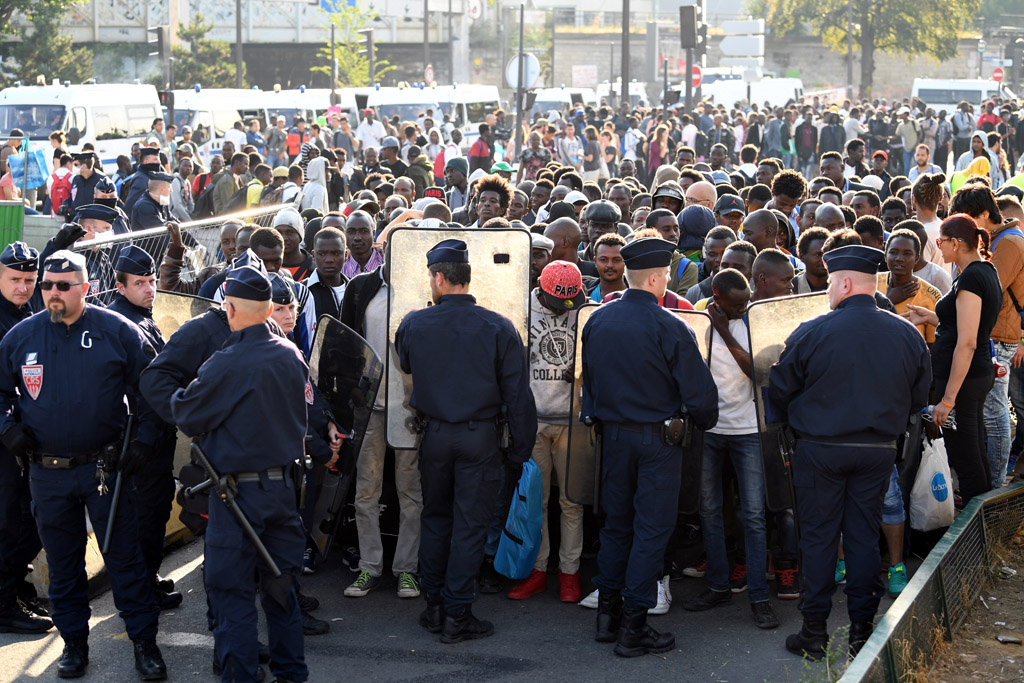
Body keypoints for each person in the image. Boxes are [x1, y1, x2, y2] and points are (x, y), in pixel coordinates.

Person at [0, 250, 167, 679]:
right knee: (64, 562)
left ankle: (144, 644)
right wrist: (7, 428)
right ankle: (73, 644)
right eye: (48, 286)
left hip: (104, 473)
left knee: (125, 562)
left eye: (64, 285)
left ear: (86, 288)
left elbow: (153, 388)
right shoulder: (21, 337)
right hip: (46, 472)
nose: (53, 293)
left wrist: (145, 441)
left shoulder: (118, 331)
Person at [770, 245, 931, 662]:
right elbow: (918, 398)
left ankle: (814, 632)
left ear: (842, 282)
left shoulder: (811, 330)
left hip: (820, 450)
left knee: (820, 540)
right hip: (876, 450)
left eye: (829, 283)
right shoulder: (906, 333)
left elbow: (781, 391)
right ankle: (862, 632)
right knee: (862, 540)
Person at [170, 263, 310, 683]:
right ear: (270, 309)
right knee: (283, 591)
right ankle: (291, 673)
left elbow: (187, 414)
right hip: (283, 491)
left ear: (230, 308)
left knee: (232, 596)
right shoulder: (291, 354)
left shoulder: (226, 362)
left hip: (237, 498)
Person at [581, 237, 718, 658]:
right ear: (658, 278)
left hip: (614, 438)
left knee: (616, 527)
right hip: (658, 441)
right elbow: (701, 398)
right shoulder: (671, 326)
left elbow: (589, 382)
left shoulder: (598, 321)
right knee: (650, 532)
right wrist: (703, 419)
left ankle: (607, 618)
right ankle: (634, 627)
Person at [395, 239, 537, 643]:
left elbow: (405, 361)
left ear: (439, 278)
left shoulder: (414, 323)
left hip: (435, 436)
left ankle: (436, 607)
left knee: (436, 520)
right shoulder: (498, 326)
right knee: (470, 526)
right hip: (480, 439)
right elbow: (518, 396)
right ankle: (458, 613)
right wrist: (520, 451)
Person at [683, 267, 779, 630]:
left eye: (747, 300)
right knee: (709, 509)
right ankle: (719, 585)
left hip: (748, 430)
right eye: (737, 304)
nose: (745, 306)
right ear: (717, 299)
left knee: (753, 515)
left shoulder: (752, 321)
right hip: (710, 429)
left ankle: (758, 596)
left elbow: (756, 371)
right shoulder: (699, 321)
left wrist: (725, 328)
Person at [106, 245, 184, 610]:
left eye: (152, 281)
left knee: (153, 515)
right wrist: (144, 441)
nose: (149, 289)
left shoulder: (141, 317)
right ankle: (141, 590)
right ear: (120, 286)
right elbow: (143, 391)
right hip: (139, 442)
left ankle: (147, 579)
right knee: (143, 518)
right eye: (140, 283)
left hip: (151, 441)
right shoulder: (122, 325)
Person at [906, 214, 1003, 503]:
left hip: (965, 378)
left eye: (941, 242)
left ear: (957, 243)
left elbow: (969, 341)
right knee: (973, 451)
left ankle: (976, 534)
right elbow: (964, 325)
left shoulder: (973, 276)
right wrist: (933, 317)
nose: (939, 247)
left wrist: (948, 400)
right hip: (972, 375)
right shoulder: (981, 270)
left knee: (965, 455)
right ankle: (985, 521)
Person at [0, 242, 52, 635]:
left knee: (26, 520)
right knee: (12, 523)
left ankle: (14, 591)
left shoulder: (25, 311)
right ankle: (3, 604)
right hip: (6, 438)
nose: (22, 287)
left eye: (29, 281)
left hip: (25, 436)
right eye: (15, 279)